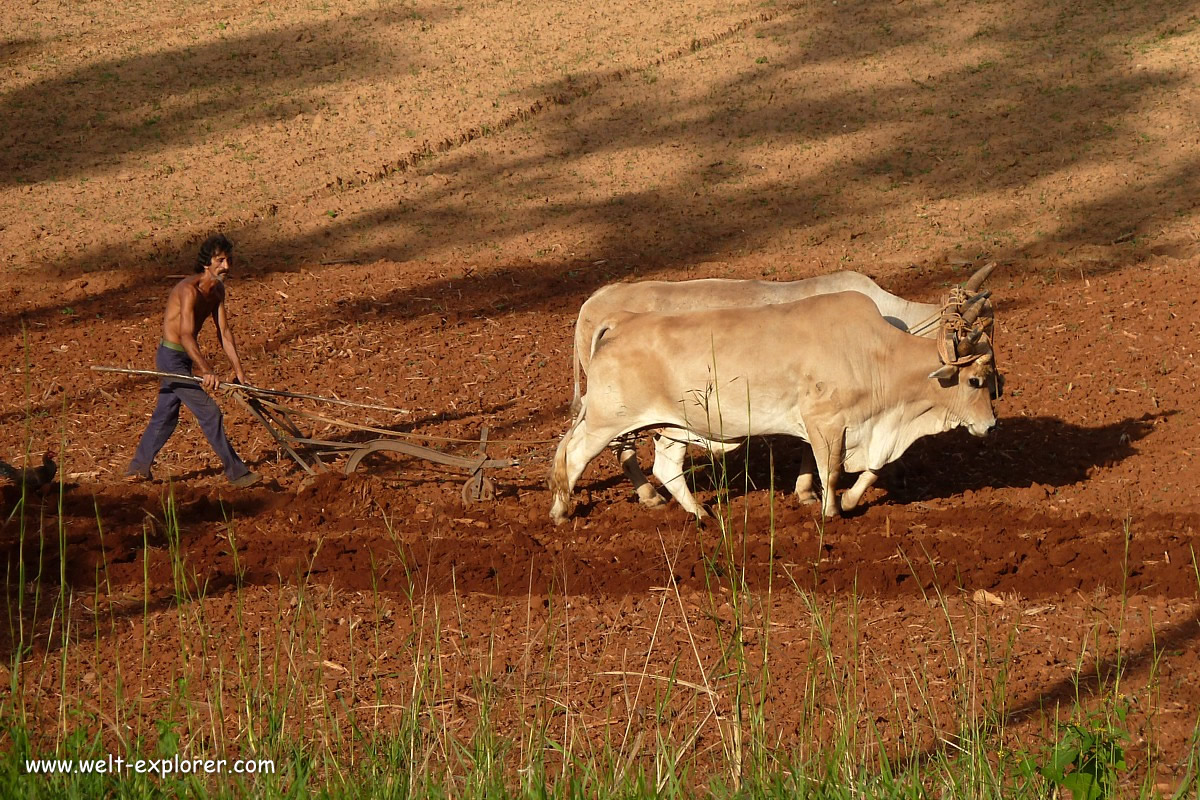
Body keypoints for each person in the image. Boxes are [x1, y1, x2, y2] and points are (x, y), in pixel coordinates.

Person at [125, 234, 261, 488]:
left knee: (166, 414)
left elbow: (225, 333)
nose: (227, 267)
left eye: (229, 260)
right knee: (209, 411)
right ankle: (237, 473)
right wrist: (206, 370)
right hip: (171, 357)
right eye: (220, 260)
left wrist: (239, 372)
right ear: (206, 262)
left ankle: (138, 467)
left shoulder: (217, 290)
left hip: (183, 358)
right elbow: (186, 335)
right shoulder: (188, 291)